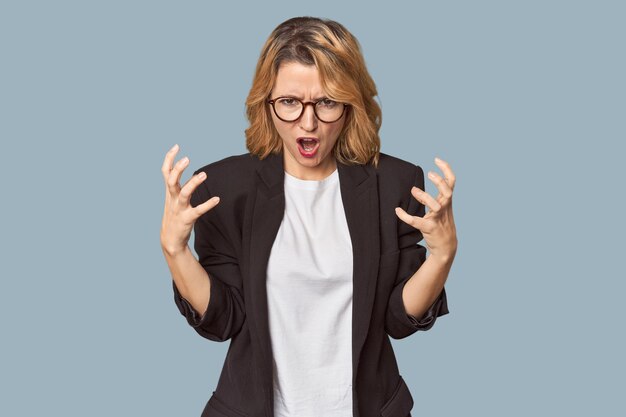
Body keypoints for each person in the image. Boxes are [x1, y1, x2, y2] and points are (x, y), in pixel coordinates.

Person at [160, 16, 458, 417]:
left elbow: (398, 320)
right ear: (267, 103)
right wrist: (175, 252)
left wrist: (441, 257)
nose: (308, 122)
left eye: (327, 102)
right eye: (289, 102)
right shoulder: (225, 188)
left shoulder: (395, 183)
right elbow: (223, 319)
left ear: (351, 103)